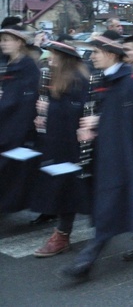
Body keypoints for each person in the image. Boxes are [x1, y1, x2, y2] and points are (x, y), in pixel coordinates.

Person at [60, 31, 133, 280]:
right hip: (113, 151)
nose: (91, 56)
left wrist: (98, 122)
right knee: (131, 197)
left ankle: (86, 261)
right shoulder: (108, 79)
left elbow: (129, 122)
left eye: (96, 52)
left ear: (111, 55)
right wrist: (93, 124)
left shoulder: (127, 83)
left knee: (111, 203)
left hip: (124, 155)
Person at [30, 41, 91, 257]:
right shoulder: (56, 78)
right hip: (58, 144)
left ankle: (62, 235)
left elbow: (78, 113)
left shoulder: (79, 81)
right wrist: (42, 112)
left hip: (73, 146)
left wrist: (51, 109)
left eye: (54, 56)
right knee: (65, 189)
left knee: (69, 190)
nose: (50, 59)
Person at [0, 26, 40, 214]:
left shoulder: (27, 66)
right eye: (2, 40)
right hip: (6, 125)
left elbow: (25, 101)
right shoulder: (11, 63)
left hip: (15, 129)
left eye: (7, 39)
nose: (2, 43)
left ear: (19, 42)